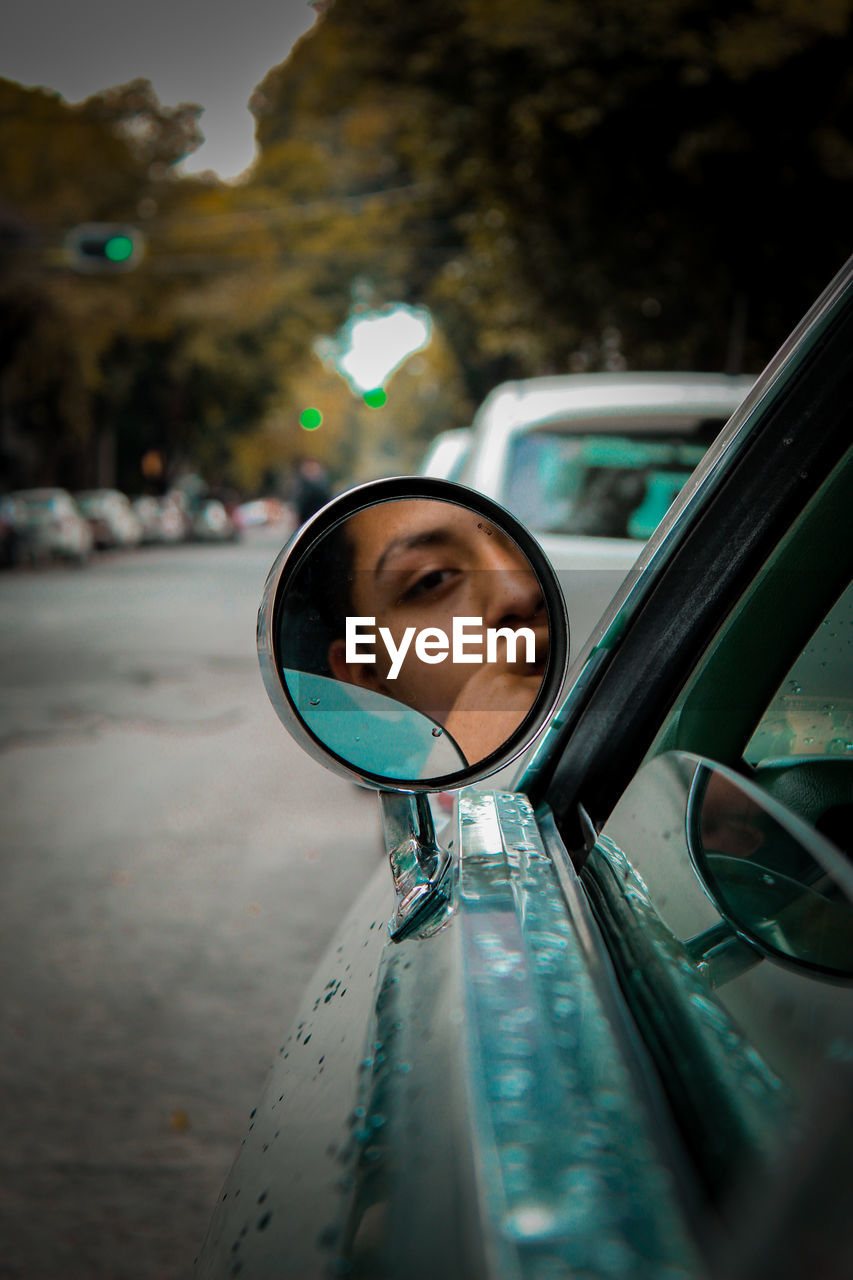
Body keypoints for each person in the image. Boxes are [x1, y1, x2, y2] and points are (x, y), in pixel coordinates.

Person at [319, 498, 549, 764]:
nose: (523, 592)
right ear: (369, 680)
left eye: (520, 548)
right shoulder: (428, 798)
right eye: (432, 579)